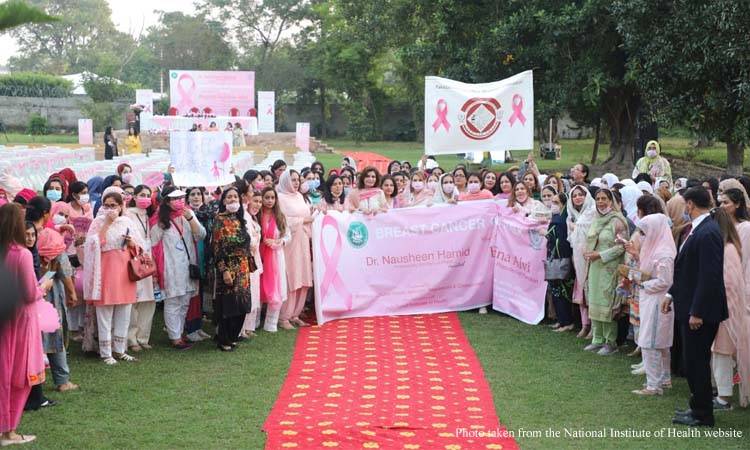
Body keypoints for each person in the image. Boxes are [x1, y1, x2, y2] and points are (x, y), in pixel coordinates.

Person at [667, 187, 728, 427]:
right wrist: (671, 294)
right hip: (689, 304)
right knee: (692, 361)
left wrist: (698, 311)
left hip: (700, 311)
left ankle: (703, 413)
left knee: (696, 361)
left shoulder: (708, 231)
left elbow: (709, 276)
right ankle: (697, 407)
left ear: (690, 204)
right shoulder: (699, 229)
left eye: (684, 205)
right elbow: (687, 271)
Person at [0, 203, 50, 447]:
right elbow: (30, 293)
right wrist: (44, 287)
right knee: (19, 375)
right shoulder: (21, 254)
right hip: (20, 321)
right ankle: (8, 430)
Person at [83, 191, 142, 365]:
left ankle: (120, 349)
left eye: (113, 205)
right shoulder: (97, 222)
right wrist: (107, 223)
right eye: (106, 205)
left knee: (124, 311)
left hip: (124, 270)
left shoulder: (127, 222)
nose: (110, 209)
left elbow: (139, 247)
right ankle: (105, 352)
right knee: (105, 312)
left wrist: (132, 244)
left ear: (121, 206)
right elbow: (93, 245)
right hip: (105, 270)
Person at [624, 214, 676, 396]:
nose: (641, 235)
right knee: (658, 341)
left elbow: (665, 281)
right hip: (650, 298)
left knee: (651, 341)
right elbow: (646, 269)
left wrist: (642, 283)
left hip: (658, 300)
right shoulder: (653, 248)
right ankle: (664, 378)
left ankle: (654, 385)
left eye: (644, 232)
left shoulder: (664, 253)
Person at [151, 187, 206, 350]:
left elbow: (201, 235)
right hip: (170, 266)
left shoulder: (188, 214)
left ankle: (180, 332)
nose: (180, 201)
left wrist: (191, 219)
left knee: (185, 300)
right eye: (175, 198)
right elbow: (153, 245)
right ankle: (174, 337)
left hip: (188, 265)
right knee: (173, 301)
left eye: (182, 197)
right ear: (167, 201)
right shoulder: (159, 220)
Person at [714, 188, 750, 409]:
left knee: (733, 346)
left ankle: (726, 394)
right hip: (726, 291)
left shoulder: (745, 229)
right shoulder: (725, 230)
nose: (722, 206)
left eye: (726, 202)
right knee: (723, 347)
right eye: (720, 202)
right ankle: (724, 391)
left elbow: (744, 264)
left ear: (737, 204)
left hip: (739, 293)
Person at [583, 188, 629, 356]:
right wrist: (587, 251)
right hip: (594, 266)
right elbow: (590, 239)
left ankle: (611, 342)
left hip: (609, 267)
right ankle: (597, 339)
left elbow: (623, 246)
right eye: (598, 198)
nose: (600, 202)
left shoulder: (617, 221)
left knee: (607, 302)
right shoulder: (597, 219)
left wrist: (600, 255)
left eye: (604, 198)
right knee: (594, 300)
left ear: (611, 201)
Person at [36, 228, 79, 390]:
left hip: (32, 296)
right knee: (55, 336)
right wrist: (72, 293)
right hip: (50, 298)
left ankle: (33, 380)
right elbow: (64, 271)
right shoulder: (52, 238)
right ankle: (62, 381)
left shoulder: (23, 236)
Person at [211, 186, 252, 351]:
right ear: (223, 201)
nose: (233, 200)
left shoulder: (240, 219)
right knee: (229, 305)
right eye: (229, 197)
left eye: (236, 197)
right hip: (228, 267)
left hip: (243, 268)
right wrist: (224, 270)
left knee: (242, 304)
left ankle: (233, 336)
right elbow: (217, 248)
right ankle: (224, 339)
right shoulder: (219, 220)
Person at [276, 170, 314, 329]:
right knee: (292, 276)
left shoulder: (299, 196)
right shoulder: (280, 198)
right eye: (293, 180)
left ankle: (295, 314)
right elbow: (282, 221)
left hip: (303, 240)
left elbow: (307, 215)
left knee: (303, 276)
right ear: (285, 181)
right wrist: (303, 220)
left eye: (298, 180)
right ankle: (284, 316)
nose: (296, 183)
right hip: (291, 244)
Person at [125, 185, 156, 352]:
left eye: (148, 195)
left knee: (148, 301)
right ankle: (131, 338)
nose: (145, 198)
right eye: (142, 195)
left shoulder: (149, 216)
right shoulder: (128, 215)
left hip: (149, 262)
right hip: (135, 261)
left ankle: (144, 336)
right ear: (134, 197)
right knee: (134, 301)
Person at [258, 187, 290, 332]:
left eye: (272, 198)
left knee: (276, 285)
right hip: (260, 255)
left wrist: (278, 243)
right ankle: (255, 321)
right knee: (259, 285)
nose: (270, 201)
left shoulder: (280, 216)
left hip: (276, 255)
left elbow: (287, 236)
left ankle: (271, 323)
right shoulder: (257, 215)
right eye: (267, 198)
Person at [546, 189, 575, 332]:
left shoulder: (561, 220)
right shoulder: (557, 218)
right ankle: (561, 320)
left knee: (562, 291)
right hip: (556, 259)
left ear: (564, 204)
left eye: (556, 202)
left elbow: (560, 242)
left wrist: (546, 235)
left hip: (560, 260)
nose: (553, 205)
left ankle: (567, 322)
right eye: (552, 202)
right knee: (556, 291)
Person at [241, 189, 264, 337]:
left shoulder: (253, 218)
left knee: (254, 293)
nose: (258, 204)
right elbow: (249, 240)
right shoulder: (245, 216)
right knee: (247, 292)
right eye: (255, 200)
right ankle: (242, 328)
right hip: (247, 258)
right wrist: (255, 239)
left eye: (260, 202)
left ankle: (249, 327)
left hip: (255, 258)